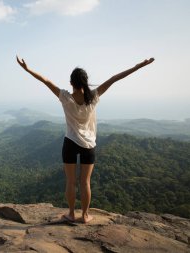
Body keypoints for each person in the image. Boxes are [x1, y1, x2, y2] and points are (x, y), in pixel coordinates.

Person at [16, 55, 154, 223]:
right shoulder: (93, 97)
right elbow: (114, 78)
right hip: (89, 145)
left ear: (71, 83)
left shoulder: (65, 97)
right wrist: (138, 66)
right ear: (86, 82)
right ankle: (85, 215)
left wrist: (27, 69)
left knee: (71, 181)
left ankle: (72, 214)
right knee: (85, 181)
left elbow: (45, 80)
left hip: (70, 143)